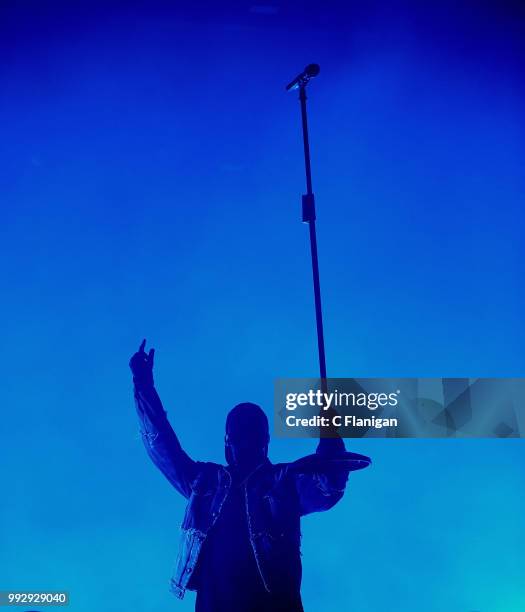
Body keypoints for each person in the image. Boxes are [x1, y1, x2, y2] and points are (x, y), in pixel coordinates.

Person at [130, 339, 369, 611]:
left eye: (250, 436)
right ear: (228, 443)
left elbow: (326, 487)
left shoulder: (284, 481)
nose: (244, 443)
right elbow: (162, 446)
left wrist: (330, 442)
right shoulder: (206, 482)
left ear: (263, 442)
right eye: (239, 436)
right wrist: (144, 388)